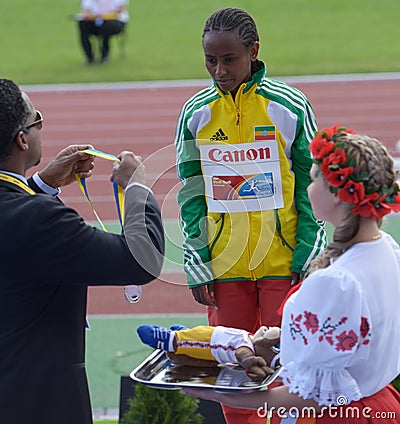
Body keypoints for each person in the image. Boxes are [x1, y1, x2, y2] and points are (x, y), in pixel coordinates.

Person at [181, 125, 400, 423]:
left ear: (336, 194)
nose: (307, 190)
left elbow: (311, 397)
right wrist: (287, 339)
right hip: (382, 406)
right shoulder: (387, 249)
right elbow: (358, 338)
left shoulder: (334, 282)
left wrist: (221, 393)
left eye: (312, 180)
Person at [174, 7, 326, 422]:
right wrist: (198, 261)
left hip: (285, 263)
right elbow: (191, 194)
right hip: (225, 268)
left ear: (253, 51)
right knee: (233, 374)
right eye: (210, 60)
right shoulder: (195, 113)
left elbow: (315, 186)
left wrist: (308, 255)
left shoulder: (290, 106)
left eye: (229, 59)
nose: (219, 70)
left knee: (291, 373)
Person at [0, 78, 164, 424]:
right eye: (37, 119)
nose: (42, 126)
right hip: (34, 403)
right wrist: (137, 189)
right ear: (21, 138)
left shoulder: (28, 212)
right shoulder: (39, 221)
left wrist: (41, 186)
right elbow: (141, 259)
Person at [137, 323, 281, 380]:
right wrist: (250, 363)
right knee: (180, 343)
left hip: (213, 352)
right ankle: (166, 337)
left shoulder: (251, 338)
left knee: (196, 357)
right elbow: (243, 356)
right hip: (209, 341)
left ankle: (184, 332)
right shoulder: (248, 347)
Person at [77, 0, 129, 64]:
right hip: (95, 20)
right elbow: (85, 10)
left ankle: (104, 55)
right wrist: (87, 16)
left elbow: (119, 10)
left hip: (114, 21)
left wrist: (103, 16)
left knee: (106, 27)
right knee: (83, 24)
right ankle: (89, 57)